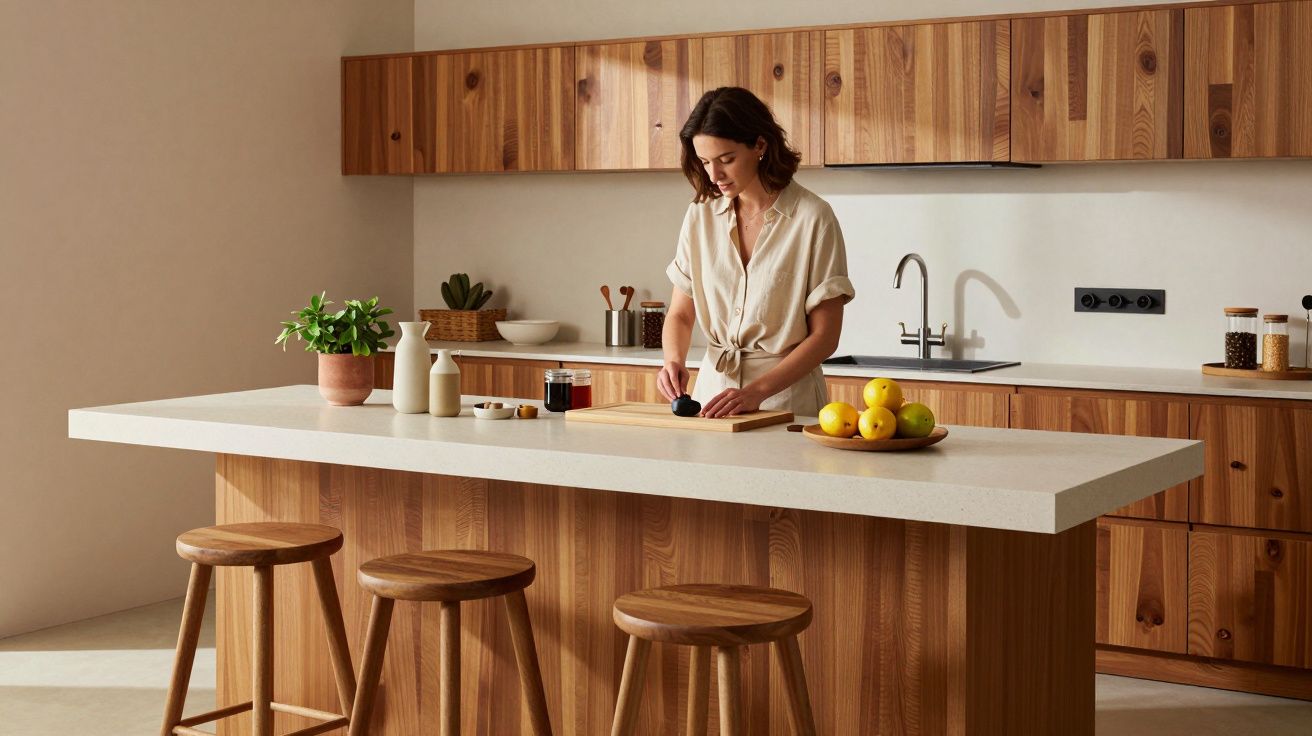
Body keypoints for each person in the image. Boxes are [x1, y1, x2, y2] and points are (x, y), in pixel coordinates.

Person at [658, 86, 855, 418]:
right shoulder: (700, 214)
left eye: (726, 160)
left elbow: (825, 336)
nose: (713, 175)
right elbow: (680, 313)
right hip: (713, 398)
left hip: (785, 402)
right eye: (705, 161)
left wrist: (756, 392)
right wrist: (673, 361)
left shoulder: (813, 218)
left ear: (760, 145)